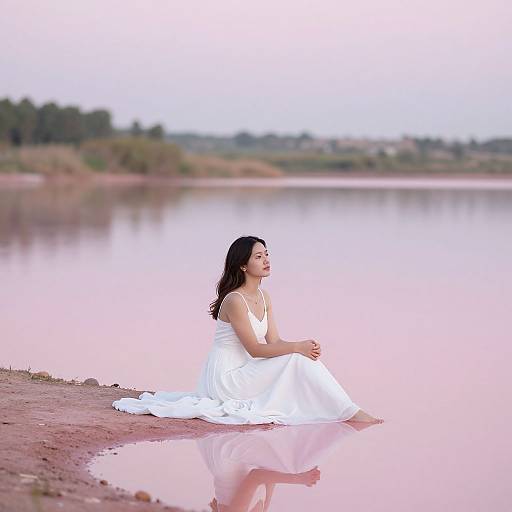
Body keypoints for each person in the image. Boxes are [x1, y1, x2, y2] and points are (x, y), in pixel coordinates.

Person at [113, 235, 383, 425]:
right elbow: (255, 349)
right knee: (295, 356)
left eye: (267, 254)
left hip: (246, 369)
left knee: (299, 358)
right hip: (225, 378)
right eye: (258, 256)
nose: (266, 260)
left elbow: (274, 341)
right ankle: (349, 412)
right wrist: (296, 348)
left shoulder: (264, 297)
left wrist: (302, 347)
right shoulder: (234, 300)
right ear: (243, 265)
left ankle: (345, 409)